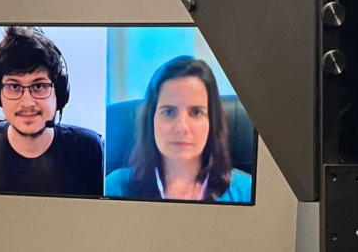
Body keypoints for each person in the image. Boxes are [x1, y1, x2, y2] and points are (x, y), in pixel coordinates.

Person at [0, 26, 104, 195]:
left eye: (39, 86)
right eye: (14, 86)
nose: (27, 102)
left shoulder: (88, 148)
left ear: (59, 93)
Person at [105, 56, 253, 202]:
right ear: (151, 121)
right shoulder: (115, 187)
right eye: (168, 112)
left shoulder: (247, 192)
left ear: (212, 122)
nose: (182, 127)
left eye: (196, 112)